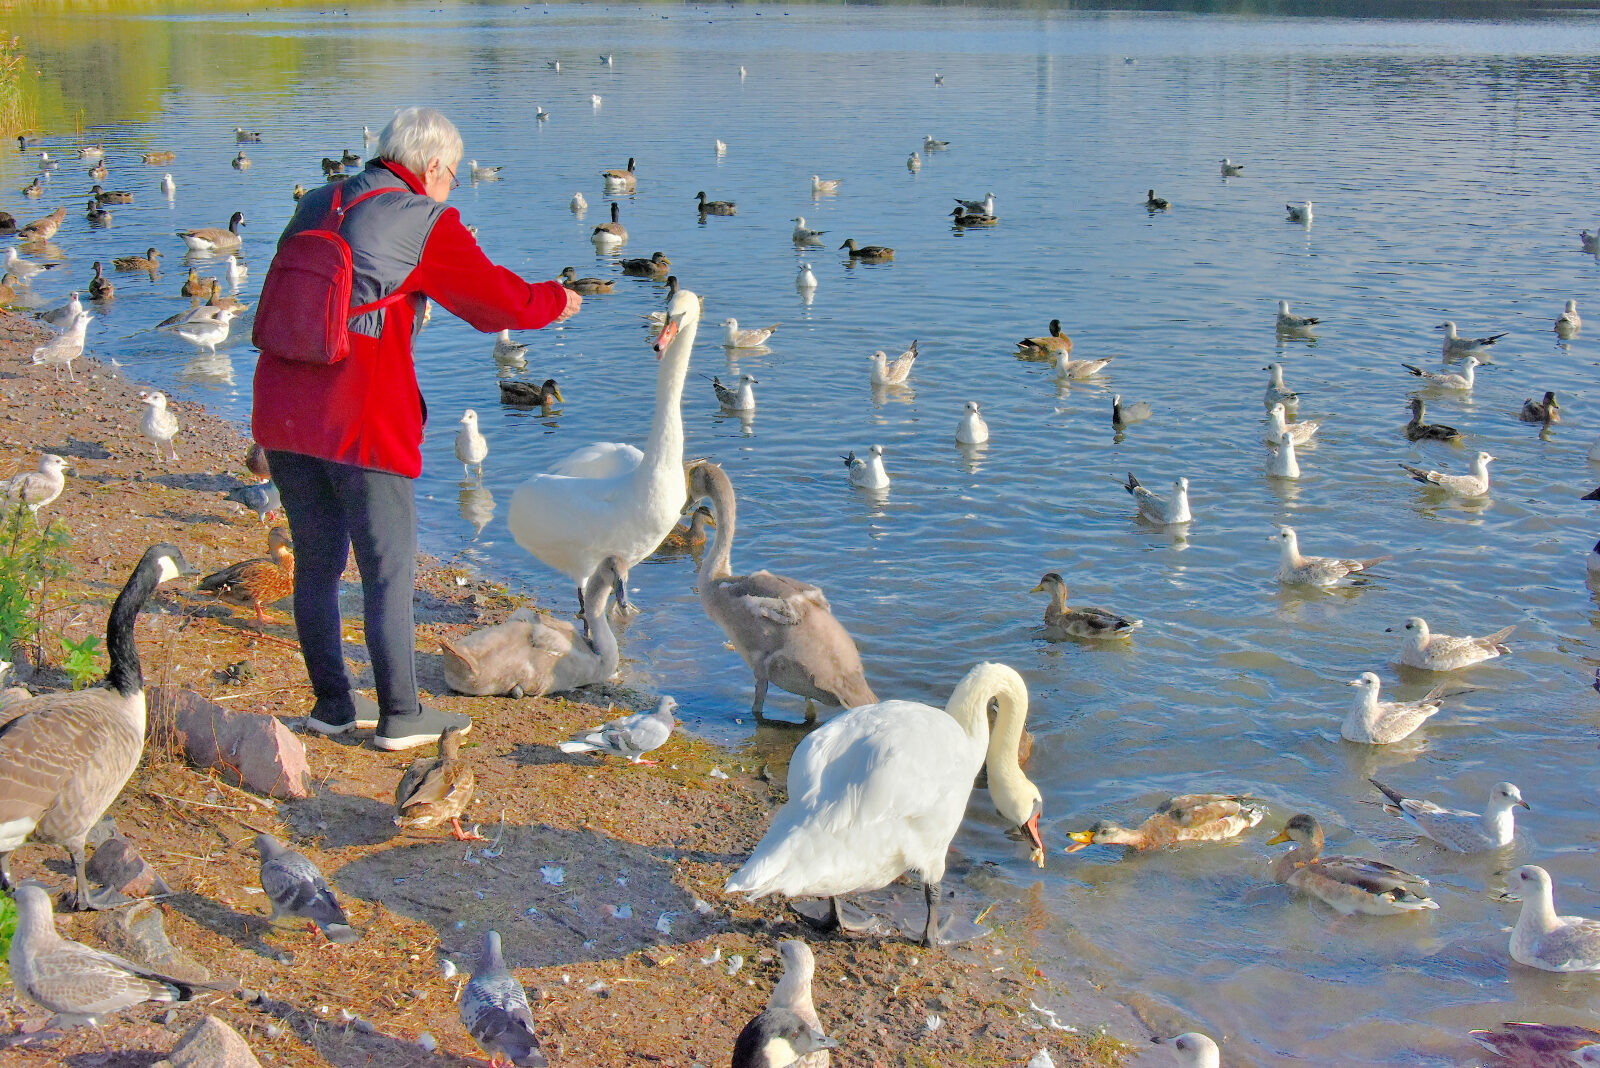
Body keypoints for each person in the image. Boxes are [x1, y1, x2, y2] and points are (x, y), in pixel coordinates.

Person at [251, 106, 579, 751]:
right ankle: (401, 715)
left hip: (282, 404)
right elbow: (495, 304)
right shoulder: (424, 219)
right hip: (360, 413)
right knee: (388, 569)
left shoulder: (318, 201)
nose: (452, 188)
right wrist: (553, 300)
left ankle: (332, 707)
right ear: (432, 167)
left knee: (315, 563)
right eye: (453, 176)